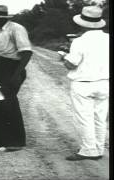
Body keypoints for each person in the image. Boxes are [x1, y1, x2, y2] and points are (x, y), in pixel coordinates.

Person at [0, 4, 33, 152]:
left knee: (8, 104)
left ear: (0, 18)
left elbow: (26, 53)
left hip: (12, 68)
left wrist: (16, 75)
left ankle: (14, 142)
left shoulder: (16, 28)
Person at [62, 6, 109, 161]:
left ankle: (88, 150)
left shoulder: (79, 41)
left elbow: (72, 64)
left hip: (83, 83)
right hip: (104, 83)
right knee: (100, 118)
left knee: (84, 118)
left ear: (81, 24)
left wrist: (64, 57)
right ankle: (98, 148)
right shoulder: (107, 39)